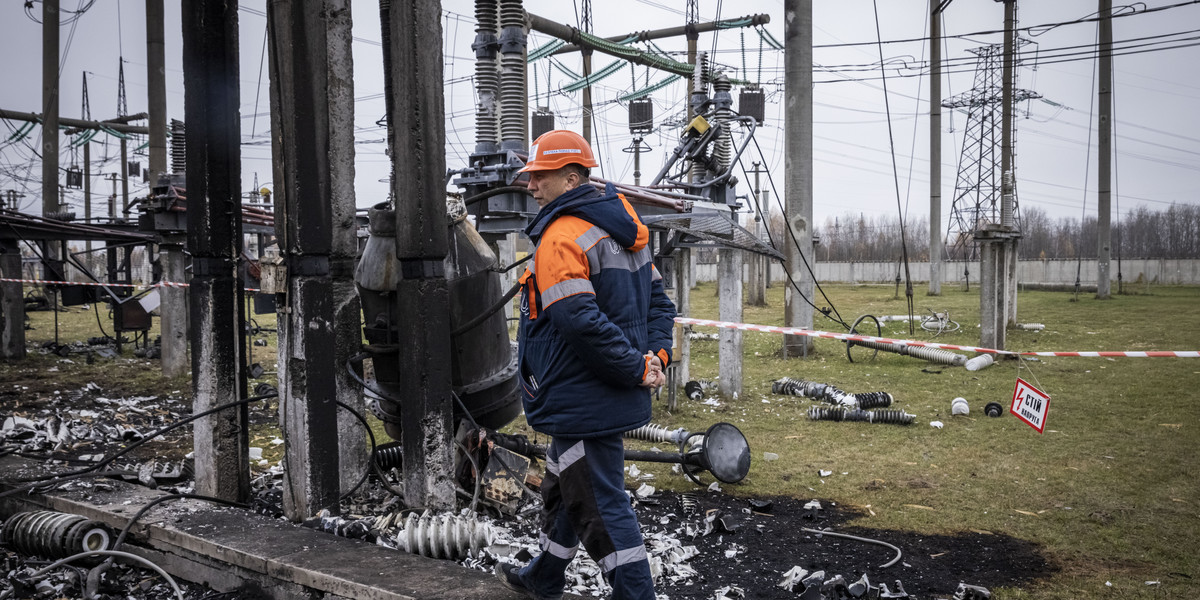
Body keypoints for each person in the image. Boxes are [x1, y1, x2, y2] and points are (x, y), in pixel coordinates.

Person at [496, 129, 676, 600]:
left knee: (597, 504)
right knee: (561, 488)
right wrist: (654, 357)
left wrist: (638, 368)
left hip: (582, 396)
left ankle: (636, 595)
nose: (531, 185)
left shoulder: (562, 237)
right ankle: (545, 576)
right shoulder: (626, 231)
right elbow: (659, 305)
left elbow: (581, 324)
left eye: (540, 176)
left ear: (572, 176)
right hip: (604, 391)